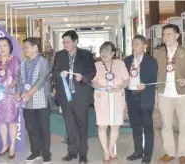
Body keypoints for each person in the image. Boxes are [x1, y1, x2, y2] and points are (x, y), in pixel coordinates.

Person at [52, 30, 96, 163]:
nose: (65, 45)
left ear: (75, 41)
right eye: (64, 42)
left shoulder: (85, 54)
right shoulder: (60, 55)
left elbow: (92, 71)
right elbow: (54, 71)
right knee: (69, 125)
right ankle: (72, 151)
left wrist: (82, 78)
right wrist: (59, 74)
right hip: (65, 97)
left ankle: (83, 153)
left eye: (68, 42)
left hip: (81, 96)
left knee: (82, 125)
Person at [155, 24, 185, 164]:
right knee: (166, 124)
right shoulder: (158, 53)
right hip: (164, 93)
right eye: (164, 34)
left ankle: (183, 154)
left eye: (169, 34)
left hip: (182, 94)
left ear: (177, 36)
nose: (166, 37)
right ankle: (169, 152)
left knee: (184, 124)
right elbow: (156, 73)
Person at [91, 42, 129, 164]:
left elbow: (127, 80)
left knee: (115, 125)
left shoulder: (120, 63)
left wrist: (120, 86)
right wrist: (103, 87)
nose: (104, 54)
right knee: (102, 126)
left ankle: (111, 148)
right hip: (101, 98)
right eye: (102, 51)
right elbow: (93, 82)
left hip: (117, 97)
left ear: (113, 53)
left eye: (107, 51)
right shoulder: (96, 65)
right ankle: (106, 152)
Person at [17, 37, 52, 163]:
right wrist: (17, 93)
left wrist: (29, 93)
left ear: (35, 47)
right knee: (31, 128)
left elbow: (41, 80)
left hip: (41, 100)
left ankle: (46, 153)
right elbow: (20, 80)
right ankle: (35, 152)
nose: (24, 50)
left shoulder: (43, 62)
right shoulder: (23, 63)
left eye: (27, 47)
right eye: (24, 47)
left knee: (44, 128)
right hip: (27, 102)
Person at [124, 35, 158, 164]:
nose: (134, 47)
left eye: (137, 44)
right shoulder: (127, 60)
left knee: (147, 127)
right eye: (133, 44)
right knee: (135, 126)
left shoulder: (151, 61)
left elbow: (153, 78)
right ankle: (138, 151)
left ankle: (147, 155)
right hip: (131, 96)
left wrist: (145, 83)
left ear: (145, 46)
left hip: (145, 97)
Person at [0, 37, 21, 159]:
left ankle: (12, 146)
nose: (2, 48)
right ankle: (4, 145)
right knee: (1, 122)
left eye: (4, 45)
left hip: (10, 95)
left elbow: (17, 77)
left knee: (12, 121)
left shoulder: (15, 60)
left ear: (10, 47)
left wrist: (9, 88)